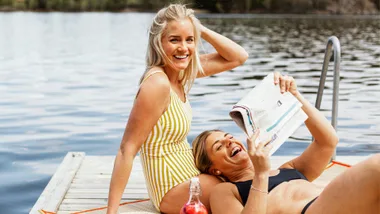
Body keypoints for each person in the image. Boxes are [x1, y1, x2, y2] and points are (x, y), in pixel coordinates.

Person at [106, 3, 249, 214]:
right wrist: (112, 212)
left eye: (189, 39)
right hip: (171, 187)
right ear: (158, 43)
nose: (184, 48)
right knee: (247, 192)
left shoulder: (180, 73)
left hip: (189, 174)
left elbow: (238, 57)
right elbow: (127, 150)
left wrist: (199, 28)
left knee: (254, 178)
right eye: (174, 39)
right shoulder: (157, 84)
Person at [192, 73, 380, 214]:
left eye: (229, 137)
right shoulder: (225, 191)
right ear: (214, 169)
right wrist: (261, 173)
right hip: (311, 210)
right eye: (219, 146)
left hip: (334, 203)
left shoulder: (289, 168)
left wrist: (295, 96)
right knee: (376, 168)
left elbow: (328, 142)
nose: (229, 141)